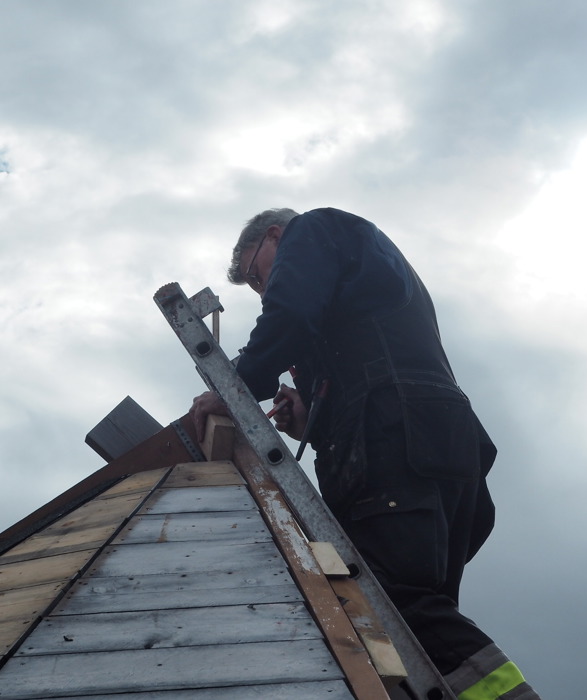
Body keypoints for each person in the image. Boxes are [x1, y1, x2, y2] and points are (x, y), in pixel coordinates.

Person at [190, 207, 539, 700]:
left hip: (397, 440)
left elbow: (290, 312)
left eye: (257, 277)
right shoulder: (359, 275)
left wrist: (233, 386)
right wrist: (311, 419)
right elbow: (356, 358)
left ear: (275, 236)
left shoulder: (313, 228)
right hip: (432, 445)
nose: (263, 291)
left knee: (390, 603)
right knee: (407, 633)